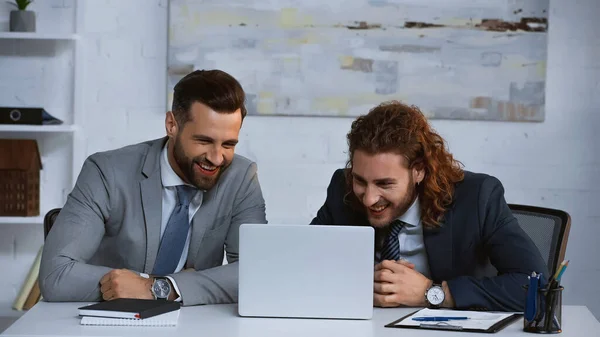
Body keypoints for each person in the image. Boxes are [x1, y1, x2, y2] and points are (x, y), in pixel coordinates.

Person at [39, 69, 267, 306]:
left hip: (195, 324)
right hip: (110, 321)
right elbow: (55, 275)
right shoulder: (106, 171)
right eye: (204, 141)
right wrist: (155, 284)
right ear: (172, 125)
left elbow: (256, 274)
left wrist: (161, 288)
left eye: (228, 145)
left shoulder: (241, 178)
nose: (217, 158)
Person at [310, 101, 547, 312]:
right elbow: (303, 264)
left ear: (419, 171)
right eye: (360, 180)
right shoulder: (342, 188)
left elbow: (535, 286)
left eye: (385, 184)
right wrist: (357, 285)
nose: (369, 198)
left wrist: (433, 293)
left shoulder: (478, 197)